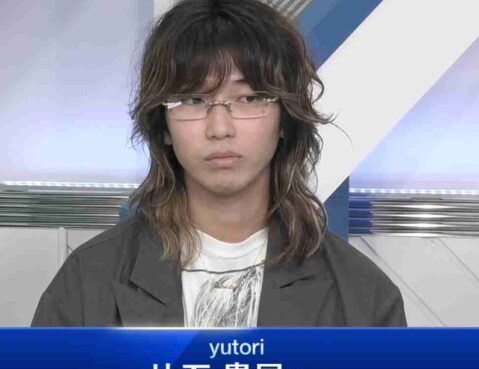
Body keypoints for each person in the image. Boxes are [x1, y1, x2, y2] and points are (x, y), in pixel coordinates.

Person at [32, 0, 406, 327]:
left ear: (284, 120)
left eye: (249, 98)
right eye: (193, 100)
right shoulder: (85, 283)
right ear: (162, 125)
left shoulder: (363, 296)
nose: (220, 128)